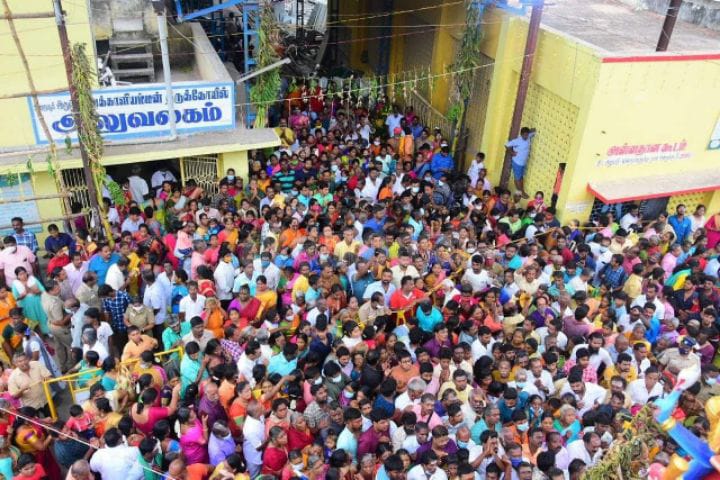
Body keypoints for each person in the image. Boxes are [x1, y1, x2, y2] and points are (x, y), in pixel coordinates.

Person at [504, 126, 536, 198]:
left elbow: (534, 130)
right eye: (524, 135)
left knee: (520, 178)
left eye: (527, 134)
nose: (525, 136)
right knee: (518, 178)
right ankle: (522, 192)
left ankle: (519, 191)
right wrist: (511, 152)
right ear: (521, 134)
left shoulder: (528, 137)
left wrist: (530, 131)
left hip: (523, 163)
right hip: (517, 163)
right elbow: (506, 145)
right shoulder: (517, 141)